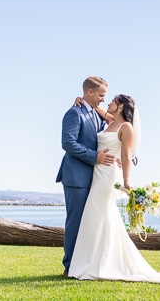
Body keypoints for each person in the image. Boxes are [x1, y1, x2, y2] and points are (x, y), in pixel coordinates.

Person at [68, 94, 160, 284]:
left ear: (120, 107)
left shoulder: (126, 127)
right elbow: (95, 107)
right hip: (98, 172)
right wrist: (81, 100)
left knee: (99, 211)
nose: (108, 103)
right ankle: (94, 261)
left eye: (112, 101)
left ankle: (100, 263)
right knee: (98, 215)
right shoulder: (110, 121)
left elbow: (126, 155)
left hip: (109, 175)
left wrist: (127, 181)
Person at [56, 76, 116, 276]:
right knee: (76, 222)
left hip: (96, 178)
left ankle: (87, 264)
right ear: (89, 92)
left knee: (91, 223)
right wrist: (95, 157)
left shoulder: (99, 116)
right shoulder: (74, 113)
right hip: (76, 177)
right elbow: (68, 143)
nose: (102, 100)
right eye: (100, 95)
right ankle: (69, 266)